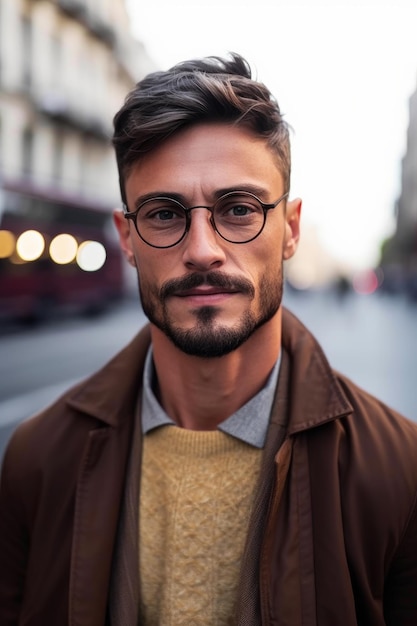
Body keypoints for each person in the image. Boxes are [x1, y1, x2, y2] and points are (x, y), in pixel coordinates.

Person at [0, 53, 416, 626]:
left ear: (289, 229)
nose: (202, 249)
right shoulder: (38, 461)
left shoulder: (398, 470)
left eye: (239, 209)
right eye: (165, 214)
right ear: (126, 237)